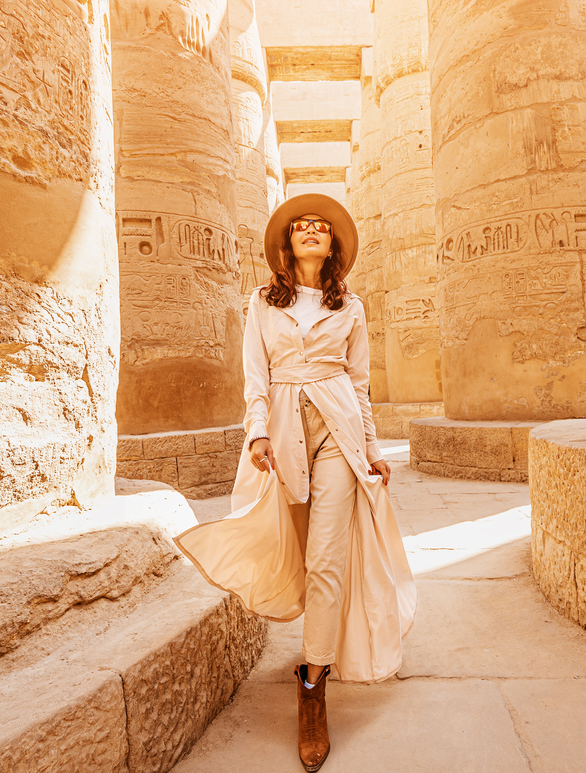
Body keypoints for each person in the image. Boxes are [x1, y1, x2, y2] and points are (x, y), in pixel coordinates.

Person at [176, 194, 416, 772]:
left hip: (338, 423)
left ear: (332, 245)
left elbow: (358, 384)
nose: (311, 230)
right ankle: (312, 640)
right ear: (287, 245)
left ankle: (313, 683)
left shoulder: (351, 307)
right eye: (301, 226)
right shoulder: (260, 302)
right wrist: (256, 433)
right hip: (282, 423)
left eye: (321, 226)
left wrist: (374, 449)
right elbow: (254, 375)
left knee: (328, 555)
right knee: (299, 548)